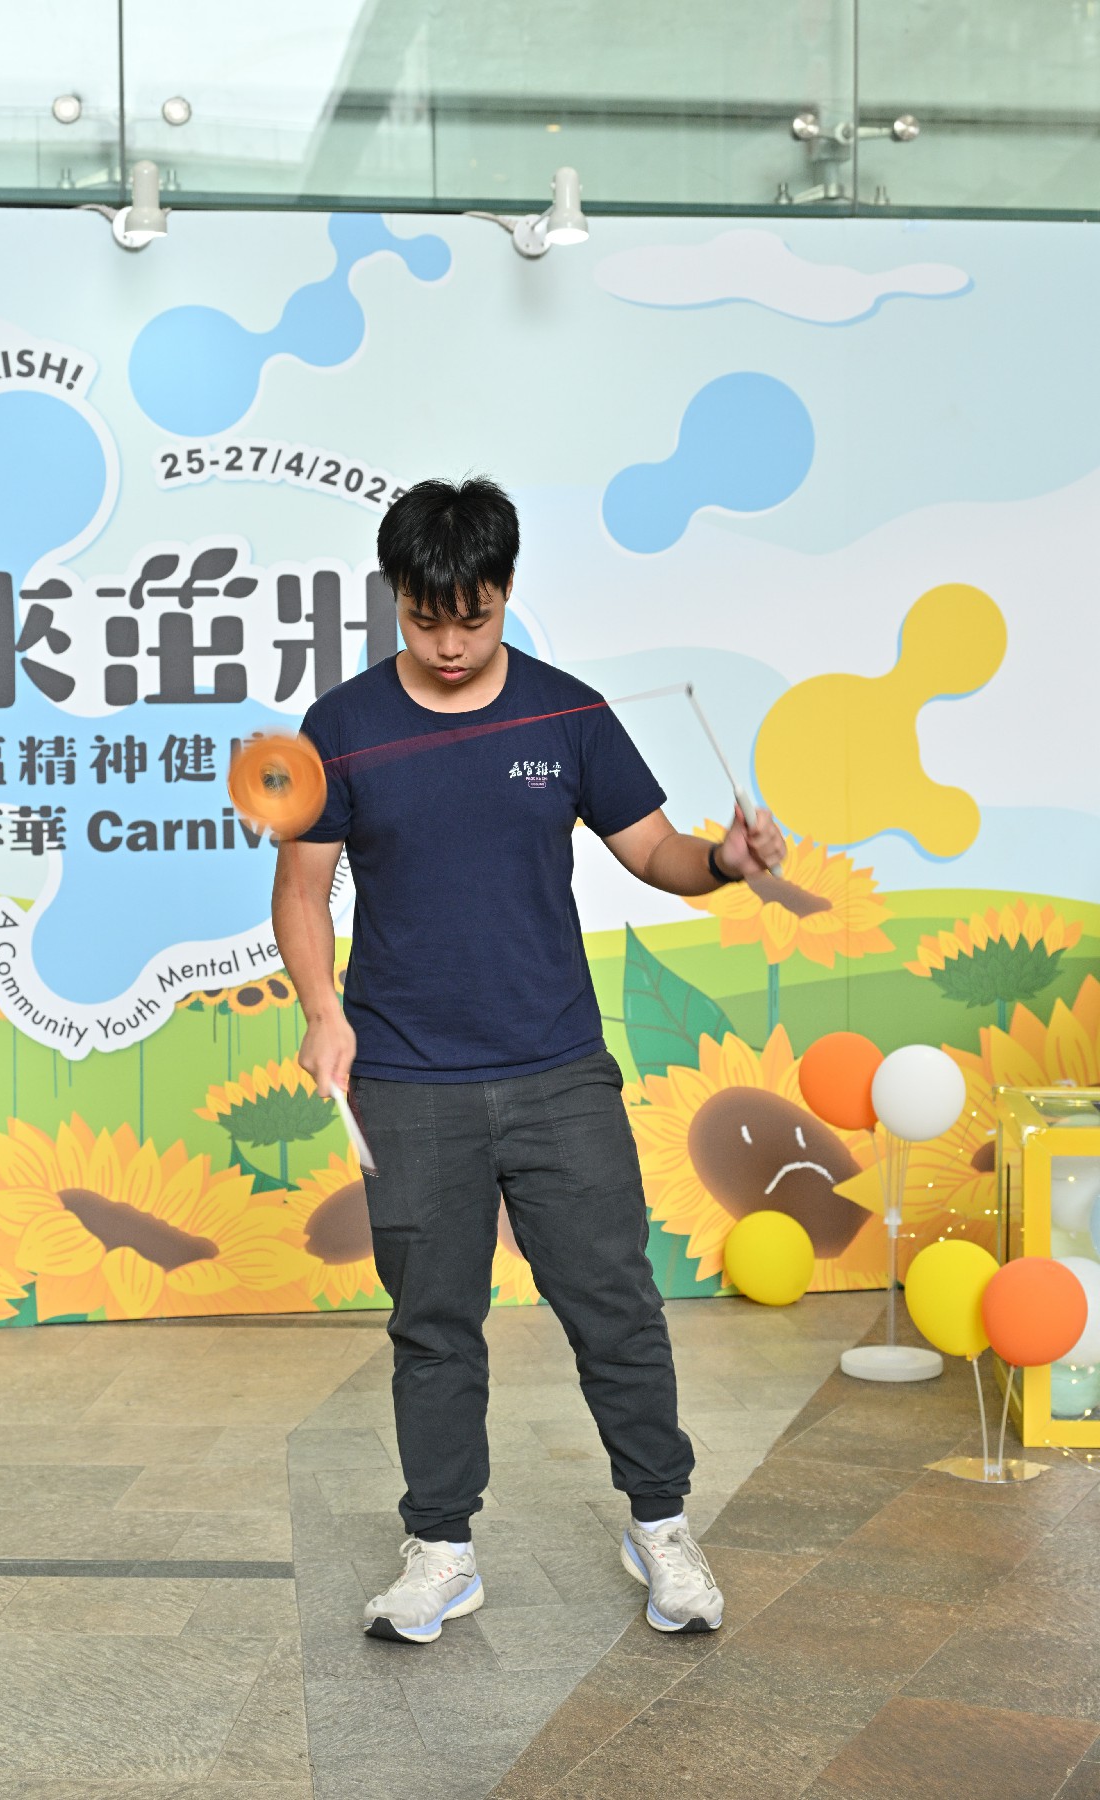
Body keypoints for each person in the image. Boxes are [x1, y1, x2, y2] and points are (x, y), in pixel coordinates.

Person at [273, 476, 786, 1645]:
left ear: (505, 591)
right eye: (426, 620)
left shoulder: (568, 713)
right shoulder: (342, 725)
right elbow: (302, 888)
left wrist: (727, 859)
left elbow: (656, 853)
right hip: (407, 1080)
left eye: (474, 617)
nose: (450, 646)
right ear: (396, 599)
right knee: (433, 1323)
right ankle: (442, 1550)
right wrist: (322, 1010)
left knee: (616, 1307)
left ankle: (661, 1526)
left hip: (558, 1070)